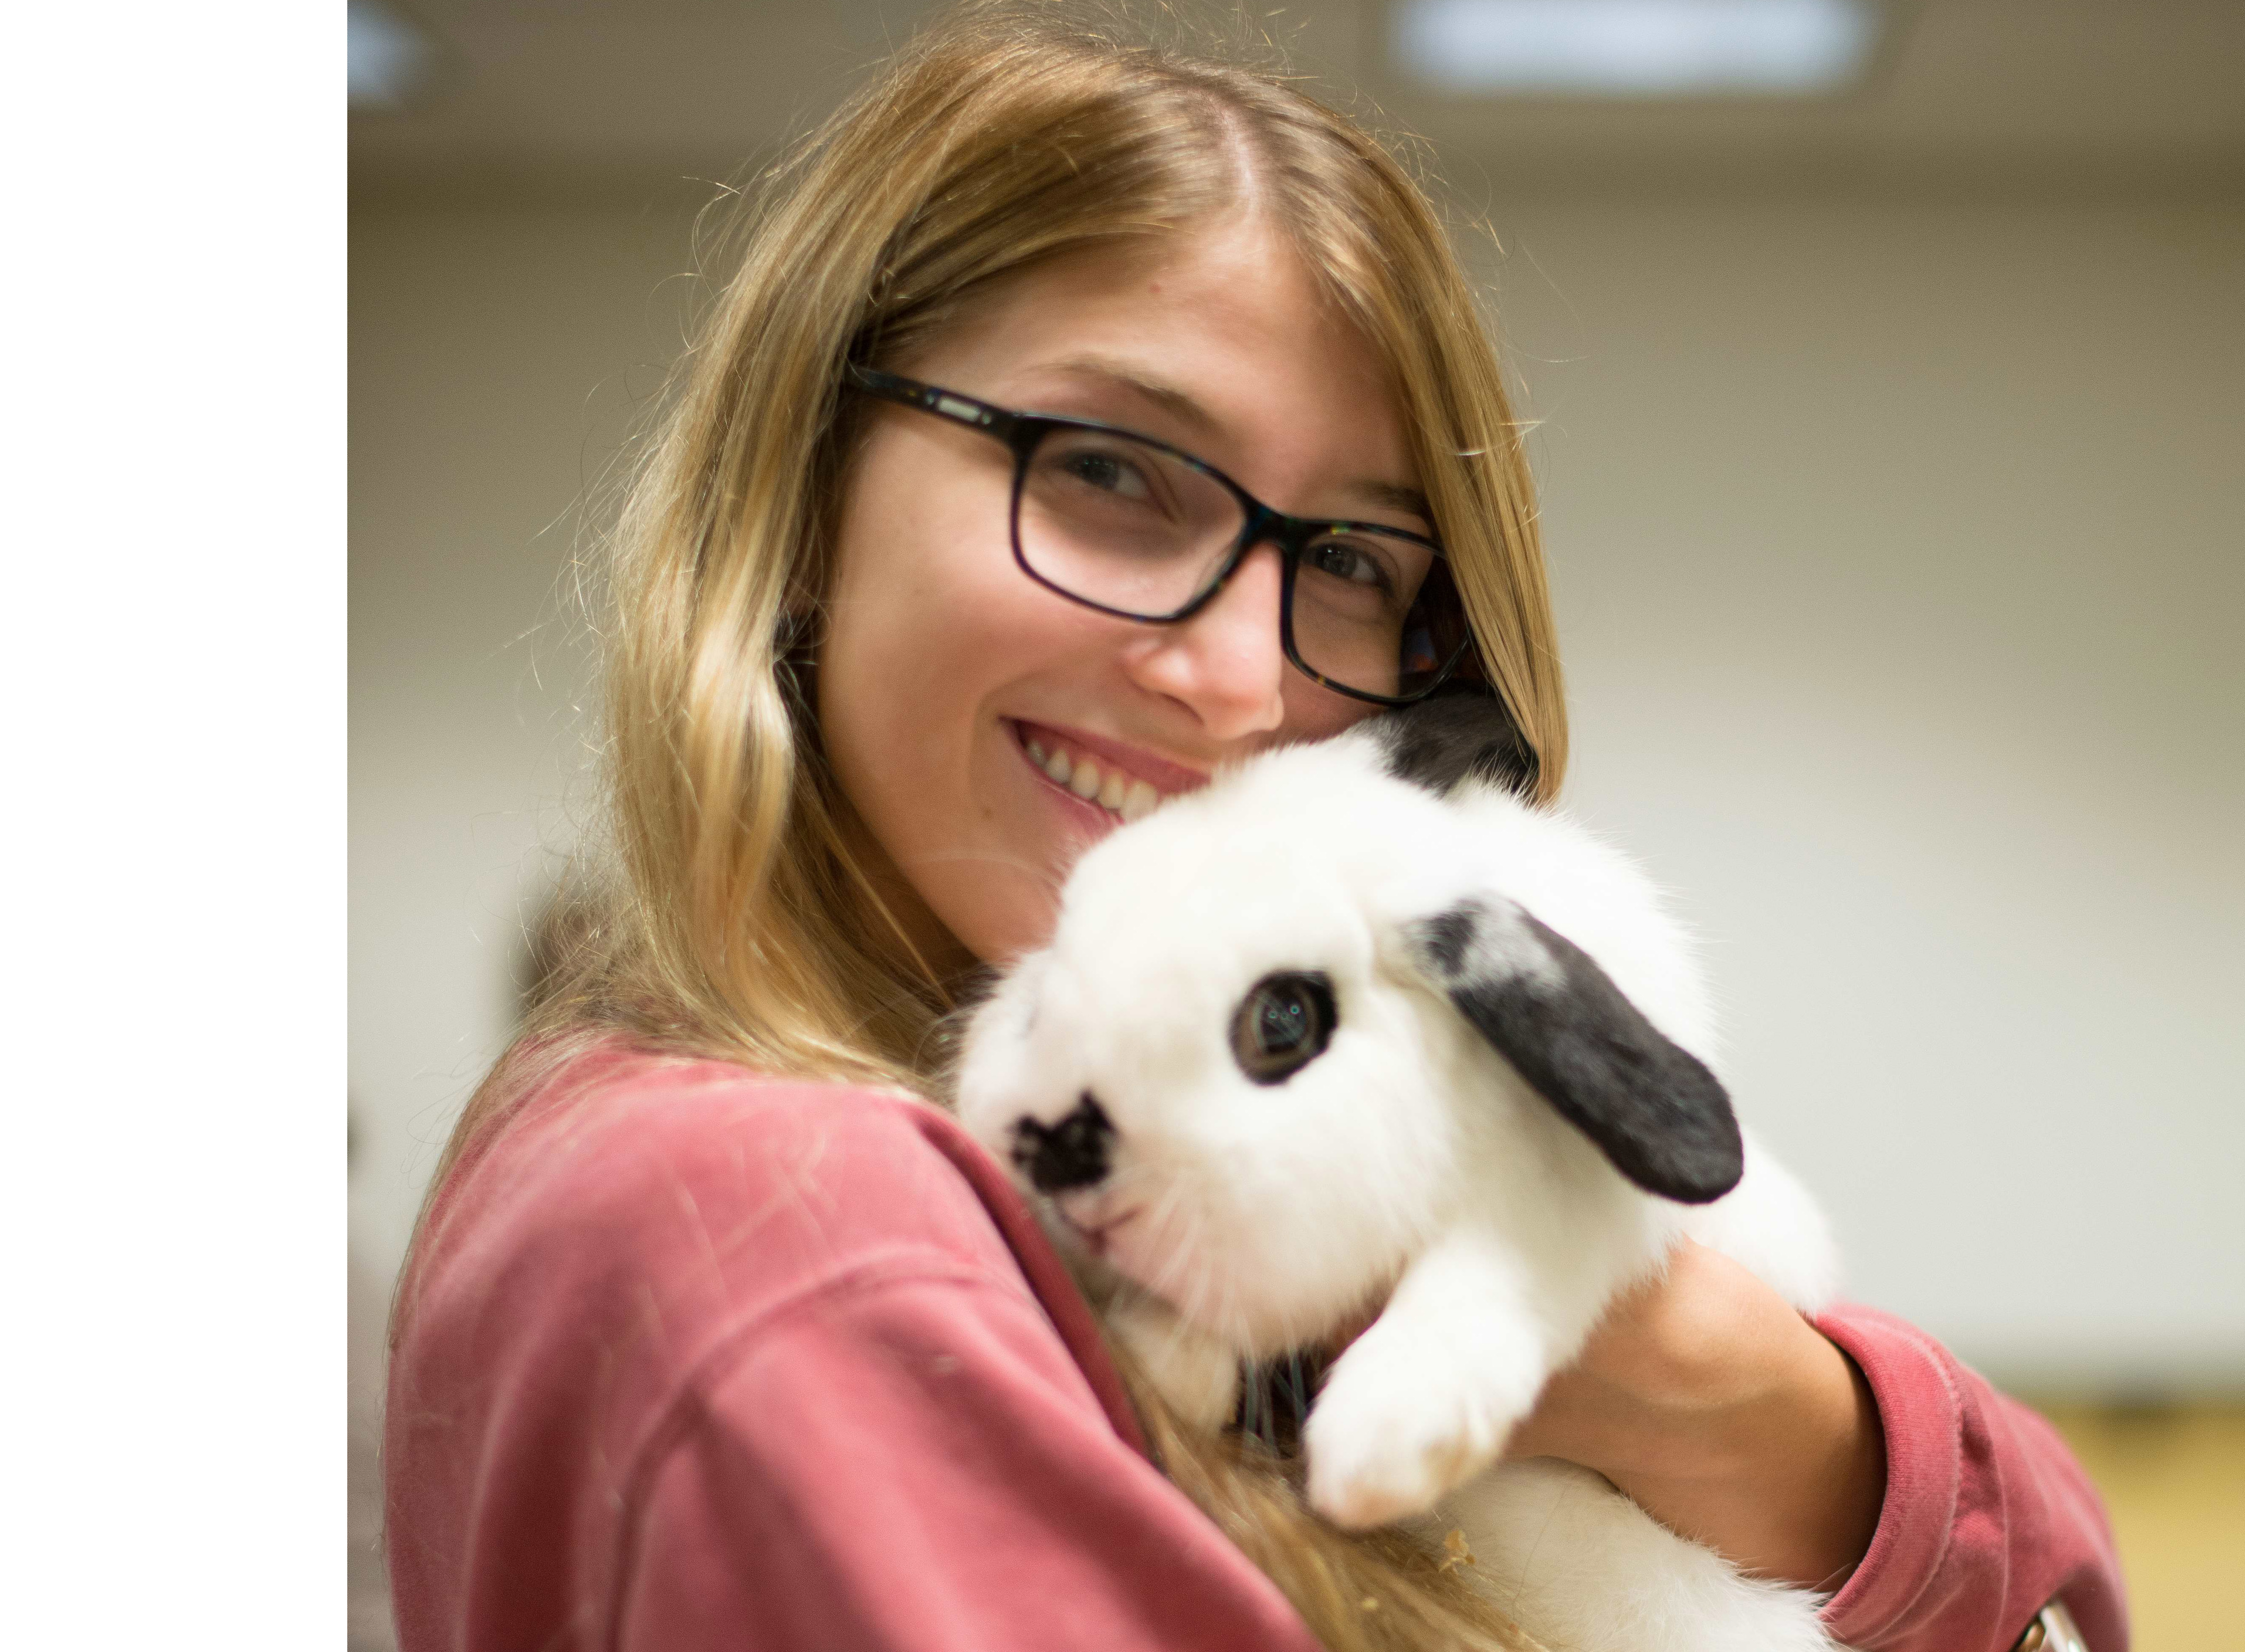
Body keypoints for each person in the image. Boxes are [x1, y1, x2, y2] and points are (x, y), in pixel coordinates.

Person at [383, 7, 2128, 1650]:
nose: (1232, 686)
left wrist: (1794, 1426)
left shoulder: (699, 1125)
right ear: (803, 480)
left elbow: (2053, 1583)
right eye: (1108, 470)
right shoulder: (808, 1231)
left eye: (1354, 564)